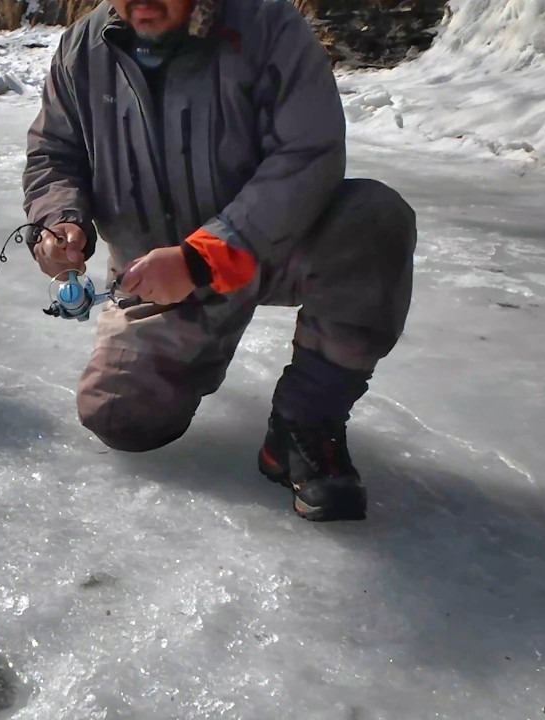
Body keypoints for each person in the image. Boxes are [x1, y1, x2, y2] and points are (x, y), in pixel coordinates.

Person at [22, 0, 417, 521]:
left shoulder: (268, 26)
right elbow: (54, 152)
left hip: (270, 251)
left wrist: (202, 256)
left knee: (372, 219)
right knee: (121, 419)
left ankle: (306, 422)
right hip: (153, 277)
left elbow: (307, 153)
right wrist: (59, 218)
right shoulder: (82, 48)